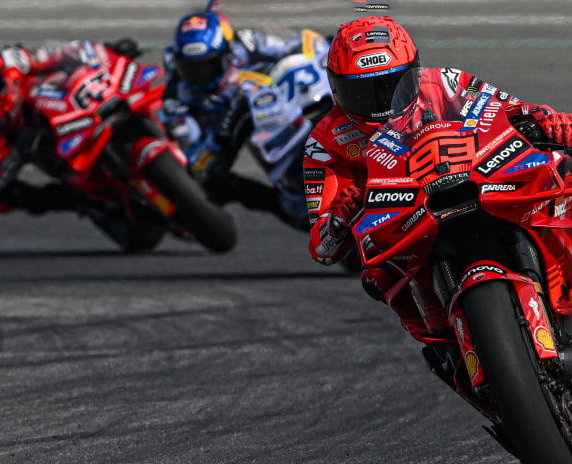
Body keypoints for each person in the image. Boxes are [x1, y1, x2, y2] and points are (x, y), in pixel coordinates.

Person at [303, 15, 572, 297]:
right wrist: (338, 219)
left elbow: (515, 109)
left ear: (414, 71)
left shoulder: (448, 82)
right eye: (360, 93)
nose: (382, 104)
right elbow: (321, 249)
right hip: (407, 230)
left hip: (480, 185)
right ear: (336, 89)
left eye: (392, 86)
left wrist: (548, 123)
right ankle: (435, 321)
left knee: (558, 177)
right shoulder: (323, 143)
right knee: (377, 277)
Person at [161, 7, 325, 230]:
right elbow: (197, 164)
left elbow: (302, 45)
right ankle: (285, 204)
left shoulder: (247, 45)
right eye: (191, 67)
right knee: (211, 185)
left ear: (226, 53)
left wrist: (327, 45)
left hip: (284, 105)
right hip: (228, 134)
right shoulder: (177, 96)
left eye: (207, 65)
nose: (199, 74)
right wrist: (223, 131)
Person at [0, 36, 140, 216]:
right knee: (4, 195)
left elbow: (55, 56)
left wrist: (107, 53)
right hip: (18, 140)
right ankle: (83, 201)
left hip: (44, 105)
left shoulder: (8, 61)